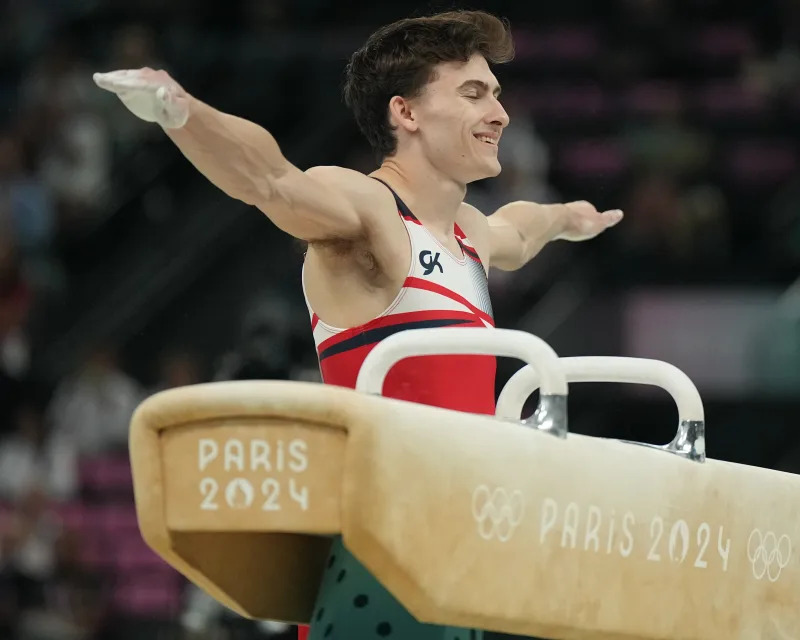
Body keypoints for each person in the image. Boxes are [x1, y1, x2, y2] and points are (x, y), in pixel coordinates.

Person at [92, 9, 622, 640]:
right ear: (407, 113)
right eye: (474, 93)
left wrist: (567, 217)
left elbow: (521, 228)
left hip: (462, 558)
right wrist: (181, 110)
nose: (500, 113)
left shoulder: (470, 235)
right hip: (382, 560)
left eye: (498, 95)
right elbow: (270, 180)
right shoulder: (371, 209)